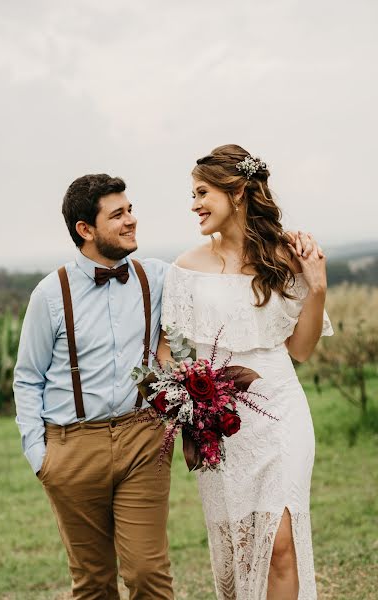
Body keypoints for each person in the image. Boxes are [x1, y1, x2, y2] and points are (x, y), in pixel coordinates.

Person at [160, 144, 333, 600]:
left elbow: (303, 349)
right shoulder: (185, 269)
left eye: (202, 192)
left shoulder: (286, 256)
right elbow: (168, 351)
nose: (194, 204)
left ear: (237, 193)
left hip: (281, 410)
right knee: (239, 547)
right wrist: (184, 398)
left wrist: (316, 289)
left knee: (280, 544)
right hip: (221, 425)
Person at [13, 174, 174, 600]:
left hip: (143, 437)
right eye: (118, 214)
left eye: (131, 209)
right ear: (85, 229)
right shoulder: (50, 294)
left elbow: (218, 267)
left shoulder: (156, 277)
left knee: (148, 575)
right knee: (93, 583)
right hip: (72, 448)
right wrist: (40, 457)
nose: (132, 220)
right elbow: (27, 376)